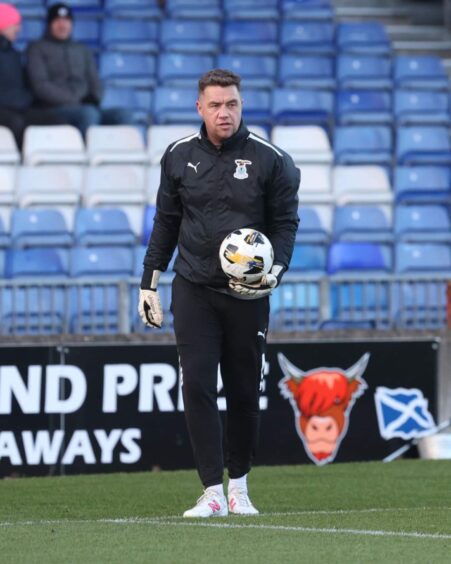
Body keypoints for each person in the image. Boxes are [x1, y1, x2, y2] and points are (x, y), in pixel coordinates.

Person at [138, 69, 300, 518]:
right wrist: (149, 281)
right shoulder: (177, 156)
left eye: (231, 104)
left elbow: (286, 223)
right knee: (197, 386)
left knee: (245, 391)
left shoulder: (272, 160)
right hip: (193, 288)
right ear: (199, 108)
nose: (224, 112)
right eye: (215, 105)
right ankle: (211, 491)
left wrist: (277, 269)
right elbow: (166, 221)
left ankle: (240, 488)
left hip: (248, 295)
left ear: (241, 104)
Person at [26, 2, 132, 137]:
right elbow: (40, 86)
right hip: (53, 108)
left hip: (84, 106)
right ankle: (87, 156)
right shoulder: (36, 48)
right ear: (49, 24)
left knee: (123, 115)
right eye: (57, 21)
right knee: (88, 114)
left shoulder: (81, 49)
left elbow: (95, 82)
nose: (62, 25)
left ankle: (123, 157)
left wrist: (93, 99)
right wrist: (72, 101)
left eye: (66, 21)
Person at [0, 3, 64, 148]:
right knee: (15, 122)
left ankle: (53, 165)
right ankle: (19, 164)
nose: (18, 29)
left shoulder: (15, 54)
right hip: (6, 111)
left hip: (17, 108)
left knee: (55, 121)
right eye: (15, 24)